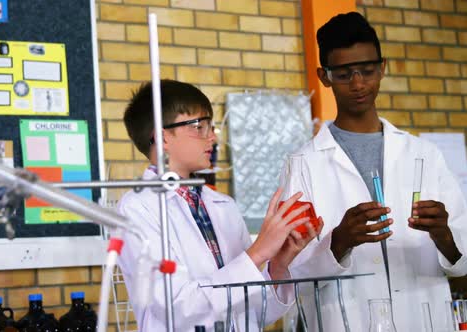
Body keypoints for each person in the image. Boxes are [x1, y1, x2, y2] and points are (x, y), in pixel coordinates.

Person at [287, 12, 467, 331]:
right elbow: (289, 270)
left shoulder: (424, 155)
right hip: (346, 322)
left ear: (382, 68)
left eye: (367, 71)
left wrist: (445, 236)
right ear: (324, 76)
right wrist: (338, 242)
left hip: (423, 318)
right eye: (344, 74)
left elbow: (462, 260)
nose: (358, 84)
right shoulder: (303, 164)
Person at [117, 80, 323, 331]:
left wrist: (278, 264)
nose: (213, 137)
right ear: (163, 138)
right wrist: (258, 252)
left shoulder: (223, 206)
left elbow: (255, 312)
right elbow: (178, 308)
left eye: (211, 126)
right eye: (199, 127)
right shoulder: (137, 208)